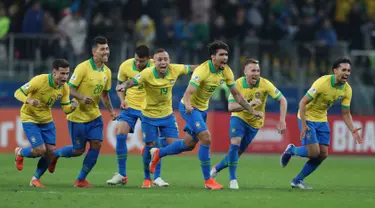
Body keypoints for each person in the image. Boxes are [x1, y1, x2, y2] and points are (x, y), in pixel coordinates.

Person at [148, 40, 263, 190]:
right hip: (189, 108)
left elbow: (238, 96)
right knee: (206, 138)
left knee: (188, 144)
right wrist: (189, 105)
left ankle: (158, 153)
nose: (225, 58)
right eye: (221, 54)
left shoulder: (226, 71)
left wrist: (251, 110)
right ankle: (208, 180)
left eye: (226, 54)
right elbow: (188, 93)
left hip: (202, 110)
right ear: (213, 57)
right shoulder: (202, 70)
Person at [116, 48, 195, 188]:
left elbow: (193, 68)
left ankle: (152, 148)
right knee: (150, 145)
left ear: (169, 60)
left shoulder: (175, 69)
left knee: (174, 145)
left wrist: (209, 67)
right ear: (154, 61)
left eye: (165, 59)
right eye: (159, 60)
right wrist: (123, 85)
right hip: (149, 115)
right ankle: (149, 178)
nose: (163, 62)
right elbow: (133, 81)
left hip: (167, 115)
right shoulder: (147, 73)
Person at [280, 57, 363, 189]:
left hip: (322, 119)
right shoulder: (322, 83)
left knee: (323, 154)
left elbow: (346, 113)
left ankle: (297, 180)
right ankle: (292, 150)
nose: (347, 73)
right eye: (344, 70)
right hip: (307, 117)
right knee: (313, 153)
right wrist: (304, 123)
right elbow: (302, 102)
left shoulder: (347, 89)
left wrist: (352, 129)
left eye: (349, 70)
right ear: (335, 70)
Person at [48, 36, 117, 188]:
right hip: (77, 116)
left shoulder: (107, 72)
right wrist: (81, 97)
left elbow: (105, 95)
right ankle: (56, 154)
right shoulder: (82, 68)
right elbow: (69, 88)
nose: (106, 52)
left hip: (95, 116)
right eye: (102, 49)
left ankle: (80, 179)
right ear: (94, 51)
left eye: (107, 49)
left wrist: (111, 111)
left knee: (97, 144)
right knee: (78, 150)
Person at [209, 59, 288, 189]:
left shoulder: (265, 84)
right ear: (245, 72)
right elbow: (230, 107)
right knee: (235, 143)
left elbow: (282, 100)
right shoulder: (237, 84)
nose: (256, 73)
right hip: (239, 118)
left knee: (236, 154)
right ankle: (233, 180)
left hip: (255, 123)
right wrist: (249, 105)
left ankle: (216, 168)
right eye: (253, 70)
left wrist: (282, 120)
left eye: (258, 70)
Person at [106, 45, 169, 187]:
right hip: (130, 106)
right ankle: (122, 174)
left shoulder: (156, 65)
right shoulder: (125, 66)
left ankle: (154, 177)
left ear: (149, 59)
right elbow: (120, 85)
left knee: (153, 143)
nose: (138, 63)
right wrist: (122, 100)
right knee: (121, 134)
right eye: (136, 60)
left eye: (141, 61)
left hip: (148, 108)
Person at [14, 59, 77, 187]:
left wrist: (72, 107)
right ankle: (19, 152)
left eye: (67, 74)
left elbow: (65, 109)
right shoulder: (39, 80)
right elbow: (18, 92)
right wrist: (28, 100)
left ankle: (35, 179)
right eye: (62, 73)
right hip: (29, 117)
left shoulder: (64, 87)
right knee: (40, 150)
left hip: (46, 120)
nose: (65, 77)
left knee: (50, 151)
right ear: (54, 73)